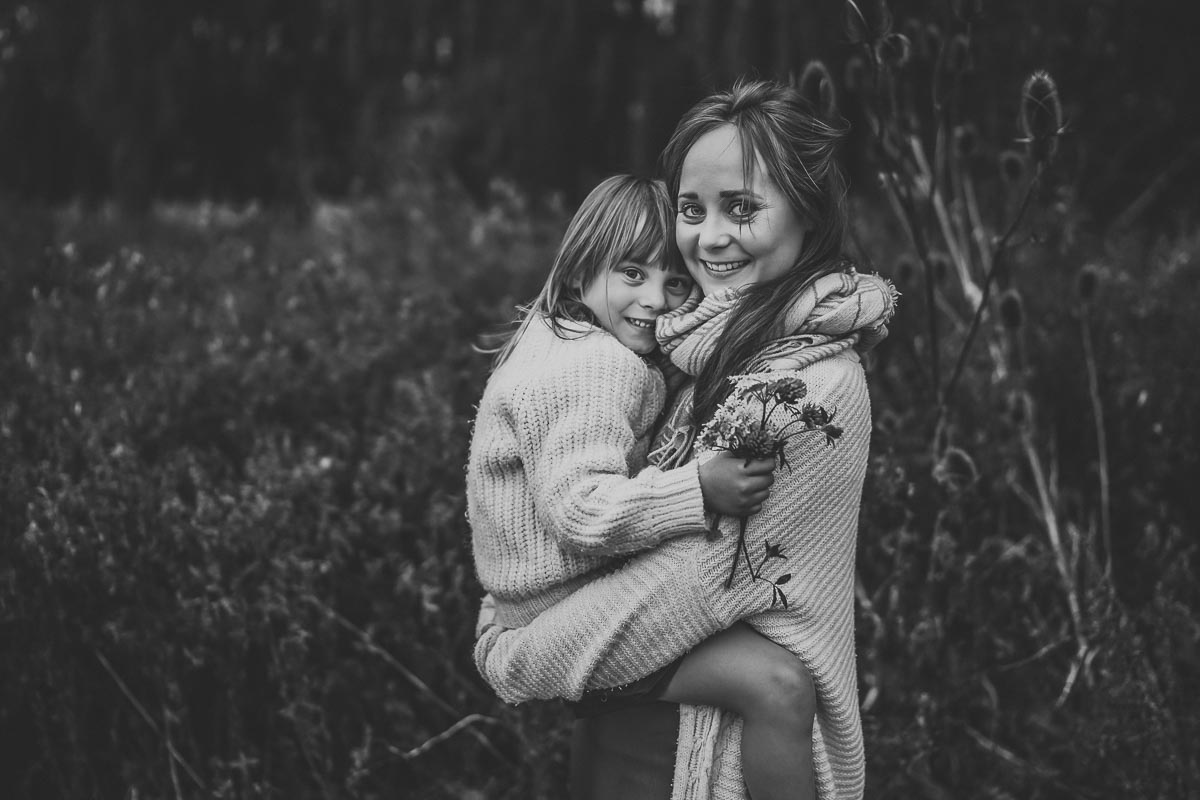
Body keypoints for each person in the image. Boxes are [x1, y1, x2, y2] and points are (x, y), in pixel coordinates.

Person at [474, 79, 898, 800]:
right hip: (622, 745)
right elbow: (590, 509)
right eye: (692, 210)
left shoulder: (812, 385)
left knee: (775, 686)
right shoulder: (683, 346)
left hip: (691, 759)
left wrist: (540, 649)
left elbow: (705, 576)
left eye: (742, 207)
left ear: (807, 211)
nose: (709, 237)